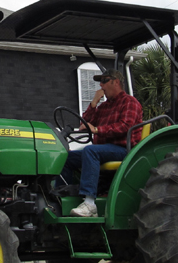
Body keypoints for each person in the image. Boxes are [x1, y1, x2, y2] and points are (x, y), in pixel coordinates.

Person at [59, 69, 144, 217]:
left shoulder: (130, 102)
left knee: (91, 151)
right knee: (67, 158)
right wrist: (93, 103)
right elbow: (84, 123)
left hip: (124, 149)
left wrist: (98, 130)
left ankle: (90, 204)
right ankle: (63, 197)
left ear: (115, 82)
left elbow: (125, 126)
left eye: (104, 81)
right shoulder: (104, 107)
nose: (101, 85)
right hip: (104, 150)